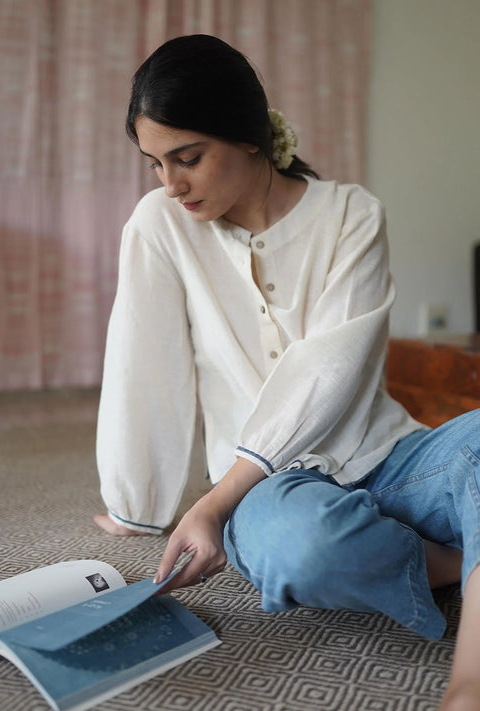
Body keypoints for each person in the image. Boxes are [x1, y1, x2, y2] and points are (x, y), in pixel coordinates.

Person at [95, 34, 480, 711]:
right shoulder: (159, 224)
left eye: (187, 158)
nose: (170, 182)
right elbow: (140, 362)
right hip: (272, 492)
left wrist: (210, 503)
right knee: (300, 549)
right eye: (154, 163)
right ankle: (450, 559)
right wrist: (137, 499)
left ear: (247, 136)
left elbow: (329, 368)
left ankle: (468, 681)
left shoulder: (350, 213)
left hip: (388, 455)